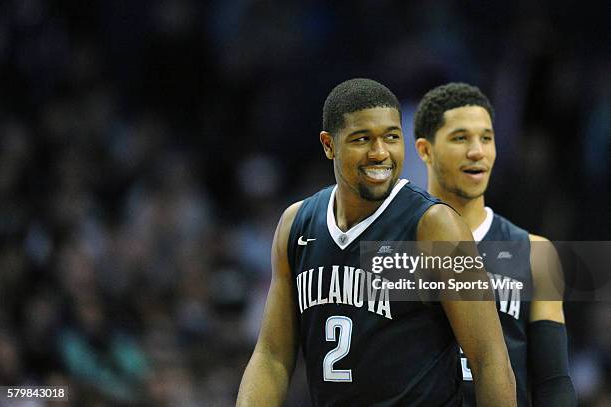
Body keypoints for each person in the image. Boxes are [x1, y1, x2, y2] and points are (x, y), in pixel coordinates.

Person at [237, 78, 516, 406]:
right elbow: (272, 356)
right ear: (329, 145)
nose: (380, 152)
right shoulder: (297, 225)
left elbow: (489, 360)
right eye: (362, 139)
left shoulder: (434, 227)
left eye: (391, 137)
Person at [413, 82, 577, 407]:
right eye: (461, 138)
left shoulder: (535, 252)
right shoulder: (391, 247)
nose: (478, 151)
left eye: (486, 138)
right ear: (425, 150)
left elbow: (553, 382)